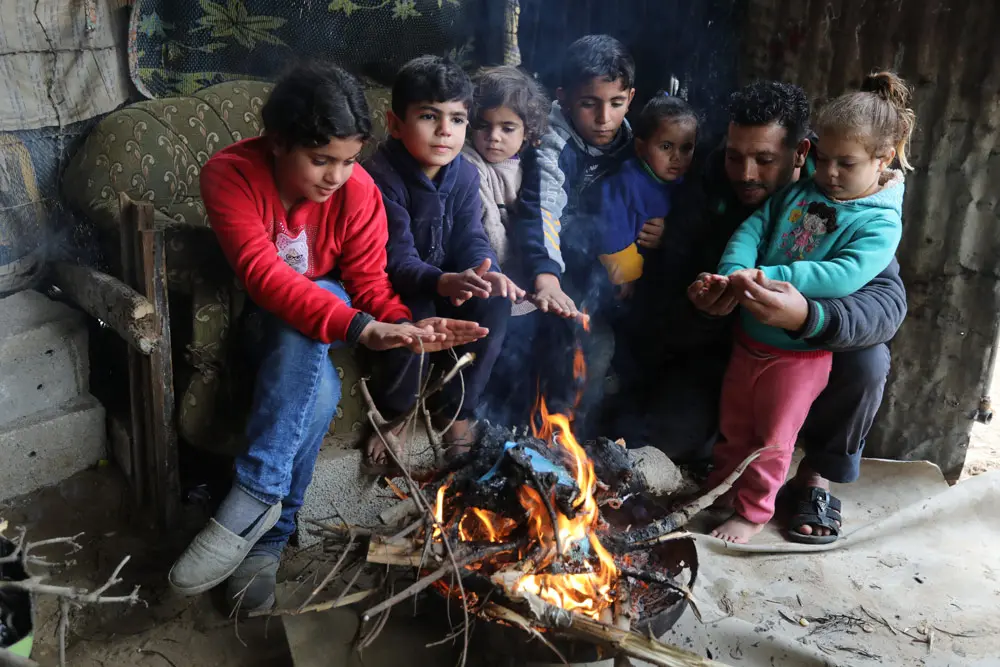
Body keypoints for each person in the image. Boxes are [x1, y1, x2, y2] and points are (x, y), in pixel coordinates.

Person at [166, 63, 487, 612]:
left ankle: (254, 496)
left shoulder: (359, 192)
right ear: (277, 142)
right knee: (316, 397)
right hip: (258, 321)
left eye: (349, 160)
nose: (336, 176)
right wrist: (362, 325)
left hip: (330, 323)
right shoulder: (230, 175)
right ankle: (269, 536)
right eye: (320, 160)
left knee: (328, 295)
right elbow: (264, 277)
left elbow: (370, 285)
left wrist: (404, 326)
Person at [609, 80, 907, 545]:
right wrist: (704, 309)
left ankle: (812, 476)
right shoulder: (704, 189)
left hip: (800, 355)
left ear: (800, 153)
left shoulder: (852, 204)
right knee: (675, 437)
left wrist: (807, 317)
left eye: (764, 160)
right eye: (735, 156)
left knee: (866, 362)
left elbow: (886, 304)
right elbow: (662, 297)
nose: (746, 173)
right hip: (726, 352)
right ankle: (724, 481)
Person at [699, 71, 915, 544]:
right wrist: (730, 272)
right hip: (751, 340)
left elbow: (846, 276)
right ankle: (722, 489)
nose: (830, 172)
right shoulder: (802, 191)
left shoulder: (879, 220)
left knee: (774, 437)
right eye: (824, 158)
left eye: (845, 163)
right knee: (735, 425)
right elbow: (754, 228)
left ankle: (755, 511)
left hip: (800, 354)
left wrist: (770, 279)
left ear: (883, 159)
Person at [364, 56, 523, 464]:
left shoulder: (464, 174)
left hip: (444, 283)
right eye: (429, 116)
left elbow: (471, 236)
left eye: (457, 119)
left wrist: (487, 272)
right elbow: (395, 258)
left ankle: (456, 411)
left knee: (495, 301)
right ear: (395, 123)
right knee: (414, 319)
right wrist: (442, 281)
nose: (445, 131)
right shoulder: (379, 177)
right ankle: (396, 414)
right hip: (393, 287)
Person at [461, 64, 550, 300]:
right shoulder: (469, 162)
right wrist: (513, 282)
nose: (494, 137)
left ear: (527, 131)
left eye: (507, 128)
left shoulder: (530, 163)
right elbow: (490, 227)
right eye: (483, 125)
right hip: (491, 273)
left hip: (523, 270)